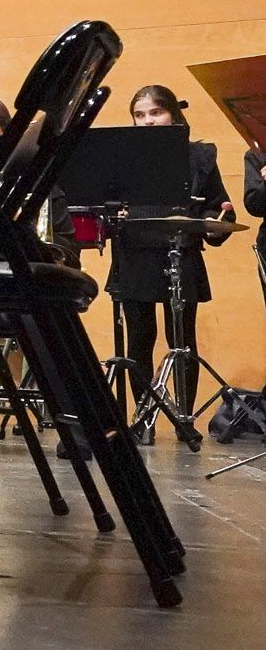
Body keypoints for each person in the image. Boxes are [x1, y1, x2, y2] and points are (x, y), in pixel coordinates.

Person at [105, 85, 234, 440]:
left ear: (174, 115)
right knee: (140, 337)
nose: (147, 121)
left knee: (183, 338)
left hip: (181, 251)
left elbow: (216, 207)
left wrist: (219, 221)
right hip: (134, 253)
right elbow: (105, 204)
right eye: (140, 115)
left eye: (155, 113)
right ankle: (144, 418)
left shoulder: (200, 156)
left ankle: (184, 418)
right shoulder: (122, 157)